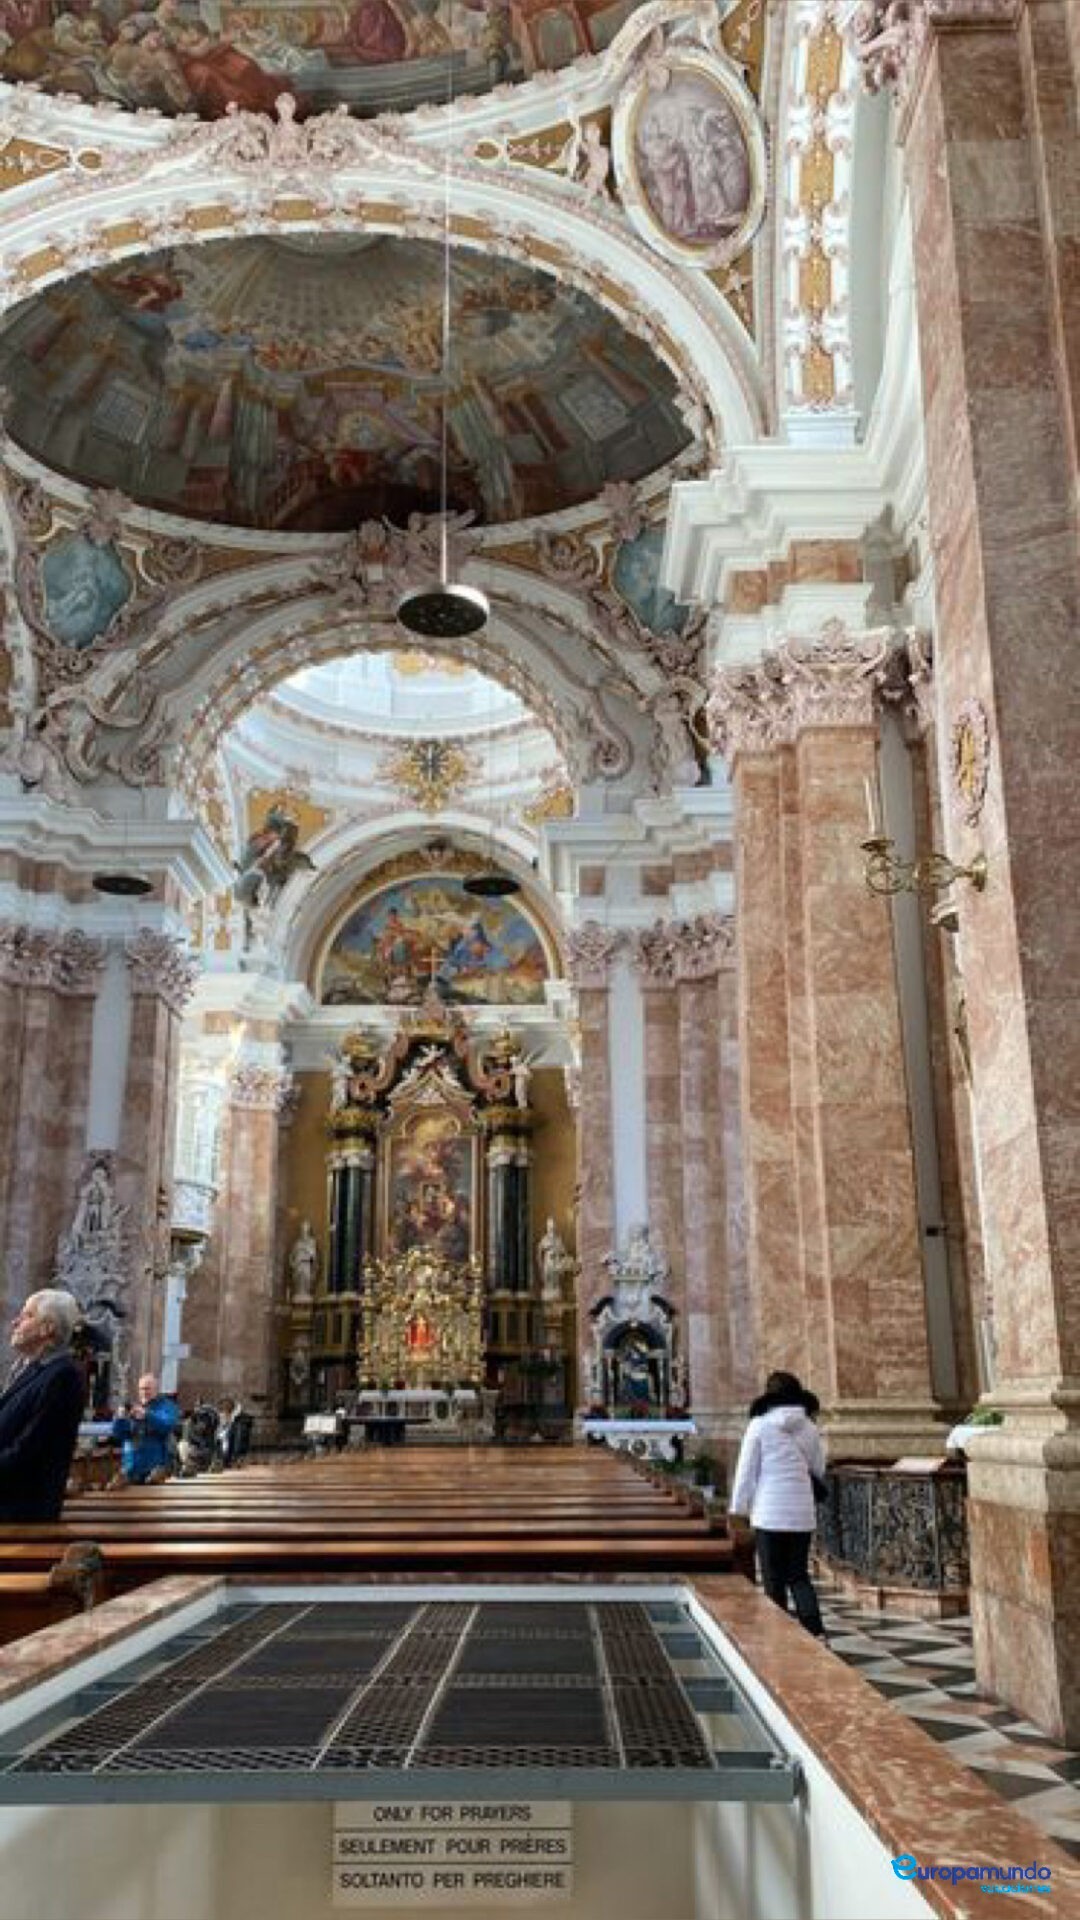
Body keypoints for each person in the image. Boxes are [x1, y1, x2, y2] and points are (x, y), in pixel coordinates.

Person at [728, 1369, 828, 1643]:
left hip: (770, 1512)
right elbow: (818, 1468)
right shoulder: (809, 1426)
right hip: (801, 1511)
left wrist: (738, 1508)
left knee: (773, 1578)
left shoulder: (759, 1425)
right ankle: (816, 1631)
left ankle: (780, 1635)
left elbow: (746, 1470)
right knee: (798, 1575)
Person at [0, 1289, 85, 1522]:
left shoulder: (63, 1376)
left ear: (47, 1328)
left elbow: (28, 1451)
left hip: (19, 1512)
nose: (16, 1322)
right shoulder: (35, 1369)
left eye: (26, 1315)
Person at [111, 1372, 180, 1484]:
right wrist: (120, 1418)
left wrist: (147, 1415)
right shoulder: (134, 1407)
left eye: (147, 1389)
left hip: (155, 1470)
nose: (144, 1392)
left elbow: (168, 1425)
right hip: (131, 1467)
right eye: (141, 1389)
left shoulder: (167, 1406)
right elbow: (119, 1435)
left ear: (156, 1389)